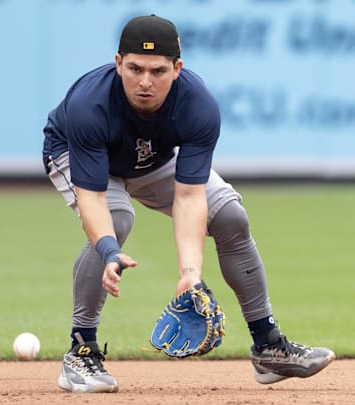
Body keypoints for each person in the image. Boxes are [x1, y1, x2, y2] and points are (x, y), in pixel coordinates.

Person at [42, 14, 335, 393]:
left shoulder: (198, 106)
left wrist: (190, 273)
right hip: (76, 154)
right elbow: (93, 197)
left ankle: (268, 346)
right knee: (116, 219)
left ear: (177, 69)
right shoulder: (89, 105)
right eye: (134, 68)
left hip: (153, 159)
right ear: (118, 64)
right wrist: (109, 248)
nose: (145, 81)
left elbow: (190, 196)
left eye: (158, 71)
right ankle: (81, 351)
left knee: (230, 216)